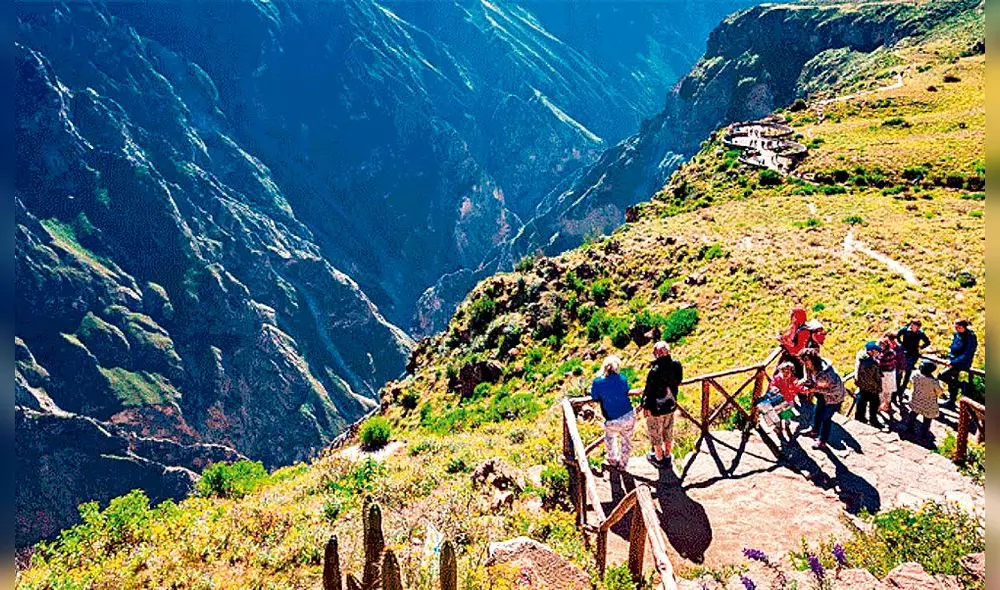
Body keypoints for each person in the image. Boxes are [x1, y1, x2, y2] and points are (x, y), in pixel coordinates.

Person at [637, 341, 682, 468]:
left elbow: (649, 391)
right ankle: (667, 455)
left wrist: (645, 406)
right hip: (671, 404)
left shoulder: (655, 370)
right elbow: (678, 381)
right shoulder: (676, 365)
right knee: (668, 430)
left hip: (656, 408)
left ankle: (658, 458)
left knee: (655, 432)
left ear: (657, 353)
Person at [590, 356, 635, 470]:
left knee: (610, 438)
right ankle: (623, 464)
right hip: (628, 414)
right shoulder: (622, 379)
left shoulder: (598, 382)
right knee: (626, 441)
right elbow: (626, 390)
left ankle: (613, 460)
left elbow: (594, 397)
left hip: (611, 418)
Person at [799, 348, 847, 450]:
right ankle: (814, 430)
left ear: (812, 360)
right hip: (821, 395)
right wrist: (802, 383)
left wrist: (813, 390)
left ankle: (822, 441)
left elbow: (832, 390)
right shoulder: (808, 367)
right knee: (817, 411)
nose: (804, 364)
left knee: (825, 418)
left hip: (834, 398)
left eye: (806, 361)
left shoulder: (827, 373)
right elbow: (808, 379)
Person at [940, 320, 978, 409]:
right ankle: (951, 400)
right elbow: (953, 346)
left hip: (963, 365)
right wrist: (950, 358)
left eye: (958, 327)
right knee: (946, 378)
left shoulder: (970, 337)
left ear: (964, 327)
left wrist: (953, 362)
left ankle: (965, 405)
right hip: (953, 362)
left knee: (961, 382)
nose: (956, 329)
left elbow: (967, 353)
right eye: (955, 327)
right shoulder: (957, 334)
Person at [765, 361, 804, 437]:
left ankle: (786, 424)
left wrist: (803, 390)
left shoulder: (793, 379)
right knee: (777, 414)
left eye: (788, 372)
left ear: (791, 372)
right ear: (780, 371)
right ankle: (778, 426)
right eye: (783, 372)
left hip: (789, 400)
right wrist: (774, 388)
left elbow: (798, 387)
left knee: (787, 414)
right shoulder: (777, 378)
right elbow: (772, 384)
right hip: (778, 400)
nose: (785, 374)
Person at [906, 361, 942, 441]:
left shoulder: (915, 374)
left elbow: (911, 380)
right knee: (927, 419)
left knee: (913, 413)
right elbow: (939, 392)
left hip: (916, 398)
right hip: (928, 402)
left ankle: (909, 428)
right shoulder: (933, 381)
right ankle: (924, 434)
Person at [896, 320, 931, 396]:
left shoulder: (920, 333)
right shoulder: (905, 329)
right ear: (911, 325)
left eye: (918, 327)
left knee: (908, 372)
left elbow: (927, 342)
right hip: (904, 353)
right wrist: (901, 344)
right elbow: (898, 336)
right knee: (900, 371)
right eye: (915, 327)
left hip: (913, 354)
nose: (916, 329)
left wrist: (920, 347)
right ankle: (897, 389)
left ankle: (903, 389)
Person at [854, 341, 883, 428]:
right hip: (871, 387)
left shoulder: (860, 356)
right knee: (874, 404)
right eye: (876, 351)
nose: (878, 353)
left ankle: (859, 419)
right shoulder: (871, 364)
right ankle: (873, 421)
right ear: (871, 351)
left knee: (861, 403)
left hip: (861, 385)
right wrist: (878, 387)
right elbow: (872, 378)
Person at [777, 307, 810, 377]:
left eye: (793, 315)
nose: (791, 317)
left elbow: (797, 351)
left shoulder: (804, 332)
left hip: (796, 362)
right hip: (787, 357)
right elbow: (788, 337)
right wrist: (782, 338)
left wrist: (784, 342)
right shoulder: (794, 326)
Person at [877, 332, 898, 413]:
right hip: (891, 373)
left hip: (885, 374)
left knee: (882, 391)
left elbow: (881, 363)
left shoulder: (885, 355)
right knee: (888, 391)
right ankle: (886, 405)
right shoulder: (892, 352)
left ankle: (881, 406)